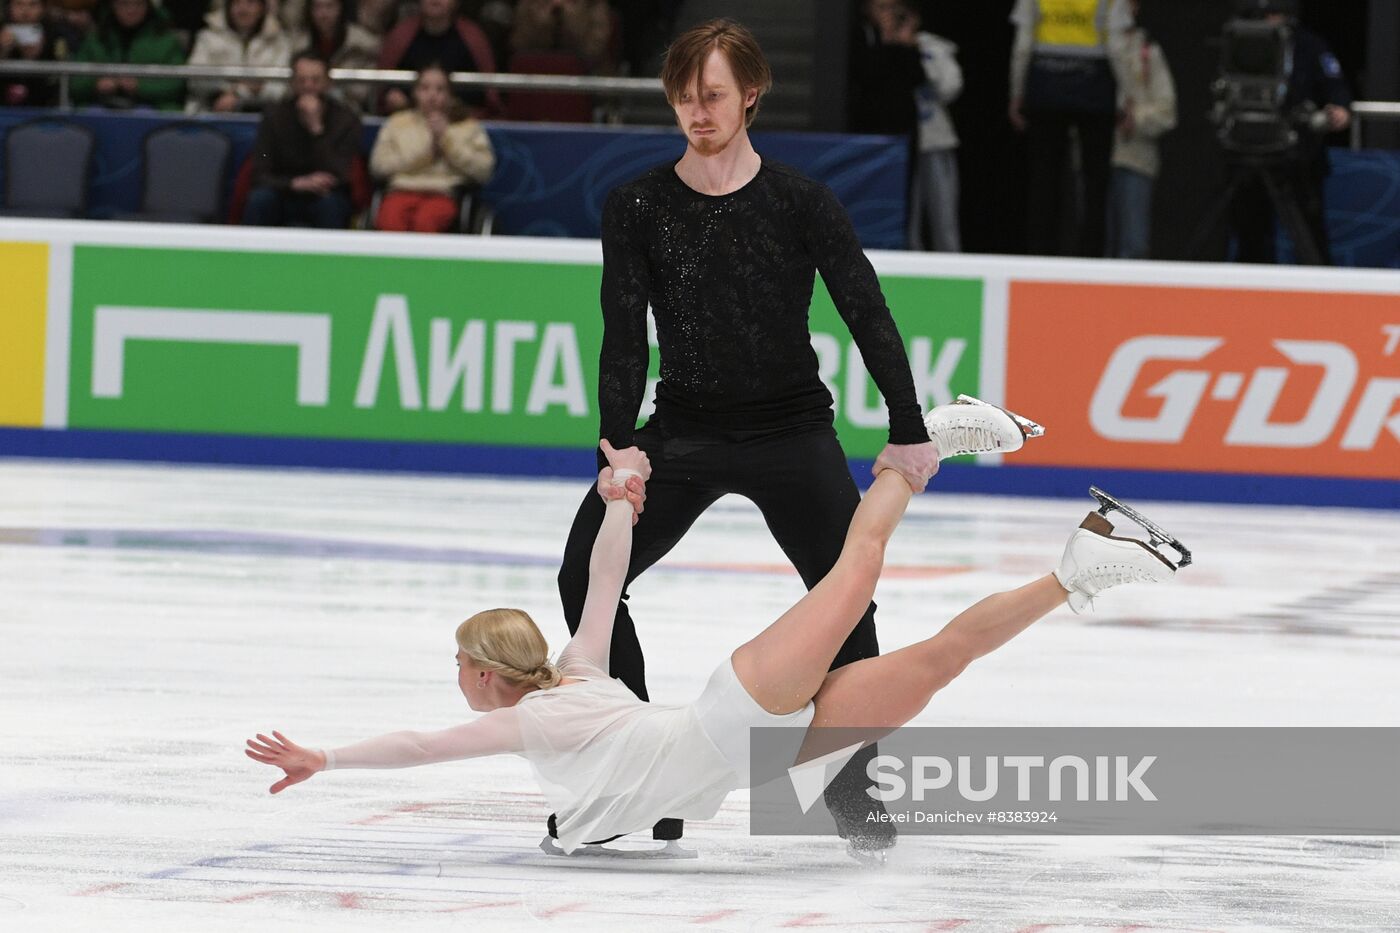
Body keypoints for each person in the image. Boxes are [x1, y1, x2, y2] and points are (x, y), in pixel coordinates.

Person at [246, 403, 1184, 856]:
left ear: (485, 674)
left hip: (733, 714)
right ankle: (1085, 561)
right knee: (940, 659)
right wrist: (622, 495)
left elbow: (422, 744)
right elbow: (605, 577)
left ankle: (928, 437)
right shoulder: (573, 677)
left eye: (456, 665)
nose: (456, 684)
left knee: (854, 574)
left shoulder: (537, 714)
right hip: (761, 755)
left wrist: (327, 757)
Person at [555, 18, 943, 858]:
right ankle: (645, 776)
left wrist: (908, 427)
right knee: (585, 572)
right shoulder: (638, 206)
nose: (698, 112)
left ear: (752, 95)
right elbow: (624, 333)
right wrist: (615, 443)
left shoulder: (801, 201)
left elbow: (865, 310)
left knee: (849, 601)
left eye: (714, 96)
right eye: (686, 98)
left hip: (789, 427)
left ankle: (850, 782)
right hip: (684, 431)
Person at [1226, 2, 1351, 265]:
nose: (1273, 20)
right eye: (1268, 13)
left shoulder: (1309, 45)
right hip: (1252, 147)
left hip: (1300, 153)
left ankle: (1320, 290)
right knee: (1252, 231)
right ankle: (1250, 289)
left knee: (1309, 229)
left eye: (1278, 13)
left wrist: (1339, 107)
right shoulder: (1246, 40)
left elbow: (1333, 83)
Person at [1008, 0, 1131, 257]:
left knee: (1044, 180)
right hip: (1094, 87)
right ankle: (1092, 260)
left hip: (1045, 86)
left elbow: (1022, 44)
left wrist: (1017, 93)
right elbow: (1118, 47)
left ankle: (1040, 257)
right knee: (1095, 182)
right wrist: (1126, 96)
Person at [368, 63, 495, 232]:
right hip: (401, 190)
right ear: (415, 93)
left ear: (450, 95)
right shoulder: (397, 123)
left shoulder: (467, 126)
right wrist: (426, 151)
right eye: (425, 88)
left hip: (444, 194)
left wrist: (447, 140)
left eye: (440, 89)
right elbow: (379, 166)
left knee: (426, 221)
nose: (432, 95)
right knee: (390, 221)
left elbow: (483, 170)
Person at [241, 50, 362, 228]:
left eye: (315, 80)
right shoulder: (275, 116)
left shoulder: (345, 119)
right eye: (302, 80)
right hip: (284, 191)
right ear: (292, 83)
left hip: (324, 195)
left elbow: (341, 174)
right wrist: (294, 183)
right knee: (260, 200)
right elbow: (260, 172)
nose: (308, 86)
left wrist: (316, 128)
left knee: (333, 205)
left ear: (328, 83)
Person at [1105, 0, 1175, 260]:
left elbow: (1167, 112)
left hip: (1135, 159)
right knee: (1097, 242)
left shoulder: (1148, 52)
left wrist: (1134, 118)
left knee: (1133, 244)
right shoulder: (1092, 52)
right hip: (1095, 158)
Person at [376, 0, 497, 115]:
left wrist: (456, 109)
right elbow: (383, 89)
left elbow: (487, 96)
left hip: (461, 124)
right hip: (406, 123)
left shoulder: (473, 38)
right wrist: (393, 97)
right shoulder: (400, 36)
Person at [909, 5, 963, 252]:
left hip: (934, 138)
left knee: (943, 211)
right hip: (898, 144)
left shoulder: (933, 47)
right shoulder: (877, 44)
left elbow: (951, 86)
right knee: (905, 213)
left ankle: (951, 262)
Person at [69, 0, 185, 109]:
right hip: (98, 108)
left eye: (138, 4)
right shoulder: (95, 40)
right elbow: (75, 84)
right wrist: (96, 85)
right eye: (124, 4)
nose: (131, 10)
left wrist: (139, 86)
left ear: (149, 6)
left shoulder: (167, 41)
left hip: (154, 111)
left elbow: (177, 85)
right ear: (113, 6)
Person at [185, 0, 293, 112]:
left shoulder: (279, 42)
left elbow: (280, 90)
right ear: (228, 7)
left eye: (250, 3)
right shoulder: (207, 37)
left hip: (263, 116)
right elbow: (195, 81)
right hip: (209, 112)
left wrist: (238, 95)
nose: (243, 9)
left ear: (262, 8)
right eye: (237, 3)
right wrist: (241, 89)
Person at [292, 0, 380, 113]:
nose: (323, 14)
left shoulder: (364, 45)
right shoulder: (298, 44)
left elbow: (364, 92)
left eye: (330, 6)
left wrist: (329, 92)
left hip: (350, 111)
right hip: (301, 109)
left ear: (341, 8)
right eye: (317, 7)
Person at [1, 0, 72, 107]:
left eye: (33, 5)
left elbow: (61, 76)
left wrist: (37, 56)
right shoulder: (2, 31)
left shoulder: (54, 34)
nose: (25, 10)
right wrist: (3, 52)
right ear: (9, 7)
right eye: (19, 4)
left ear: (43, 8)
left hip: (43, 104)